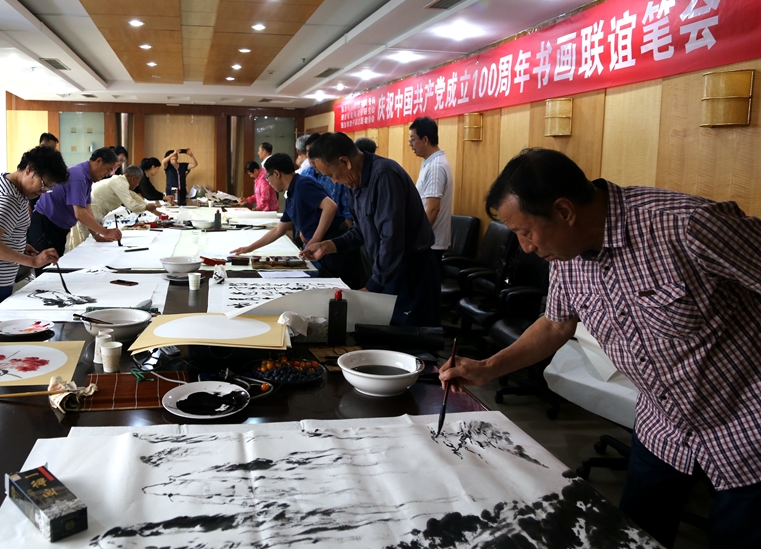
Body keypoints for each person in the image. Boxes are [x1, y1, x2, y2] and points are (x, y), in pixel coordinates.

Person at [439, 148, 761, 549]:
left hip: (746, 429)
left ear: (564, 211)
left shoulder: (685, 226)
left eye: (526, 232)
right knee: (633, 535)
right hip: (663, 426)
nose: (525, 247)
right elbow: (556, 324)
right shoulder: (566, 253)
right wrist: (487, 367)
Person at [303, 132, 440, 326]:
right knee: (385, 333)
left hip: (411, 272)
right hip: (388, 268)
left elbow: (391, 237)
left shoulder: (384, 175)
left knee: (411, 338)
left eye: (331, 175)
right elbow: (361, 230)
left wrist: (373, 286)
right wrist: (328, 246)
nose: (334, 181)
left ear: (345, 162)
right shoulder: (355, 183)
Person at [0, 147, 70, 326]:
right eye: (43, 185)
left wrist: (19, 244)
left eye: (48, 188)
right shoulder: (9, 197)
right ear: (29, 169)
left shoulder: (8, 182)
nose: (43, 191)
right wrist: (33, 262)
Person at [232, 154, 367, 289]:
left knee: (345, 290)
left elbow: (330, 206)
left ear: (277, 174)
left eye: (268, 178)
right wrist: (250, 248)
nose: (269, 183)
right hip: (320, 249)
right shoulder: (291, 193)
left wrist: (315, 239)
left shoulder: (303, 184)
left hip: (335, 246)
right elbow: (279, 229)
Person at [28, 147, 122, 269]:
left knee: (55, 267)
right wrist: (106, 232)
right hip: (46, 226)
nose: (109, 174)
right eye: (109, 169)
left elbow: (87, 209)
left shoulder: (87, 177)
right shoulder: (79, 176)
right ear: (99, 161)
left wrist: (97, 235)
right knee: (47, 270)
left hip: (57, 228)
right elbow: (80, 214)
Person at [72, 165, 158, 246]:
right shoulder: (120, 183)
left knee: (94, 243)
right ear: (133, 178)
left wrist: (149, 207)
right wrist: (147, 207)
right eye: (138, 182)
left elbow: (133, 196)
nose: (137, 185)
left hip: (94, 214)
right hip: (88, 215)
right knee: (85, 245)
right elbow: (132, 206)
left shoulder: (121, 182)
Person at [409, 116, 453, 264]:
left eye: (413, 139)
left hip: (429, 244)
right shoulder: (432, 163)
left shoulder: (435, 167)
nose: (411, 145)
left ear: (425, 140)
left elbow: (433, 208)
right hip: (428, 241)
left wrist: (418, 238)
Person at [301, 133, 352, 227]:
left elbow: (348, 212)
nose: (311, 156)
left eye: (314, 151)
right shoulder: (304, 175)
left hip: (336, 229)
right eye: (308, 151)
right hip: (309, 228)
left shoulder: (338, 174)